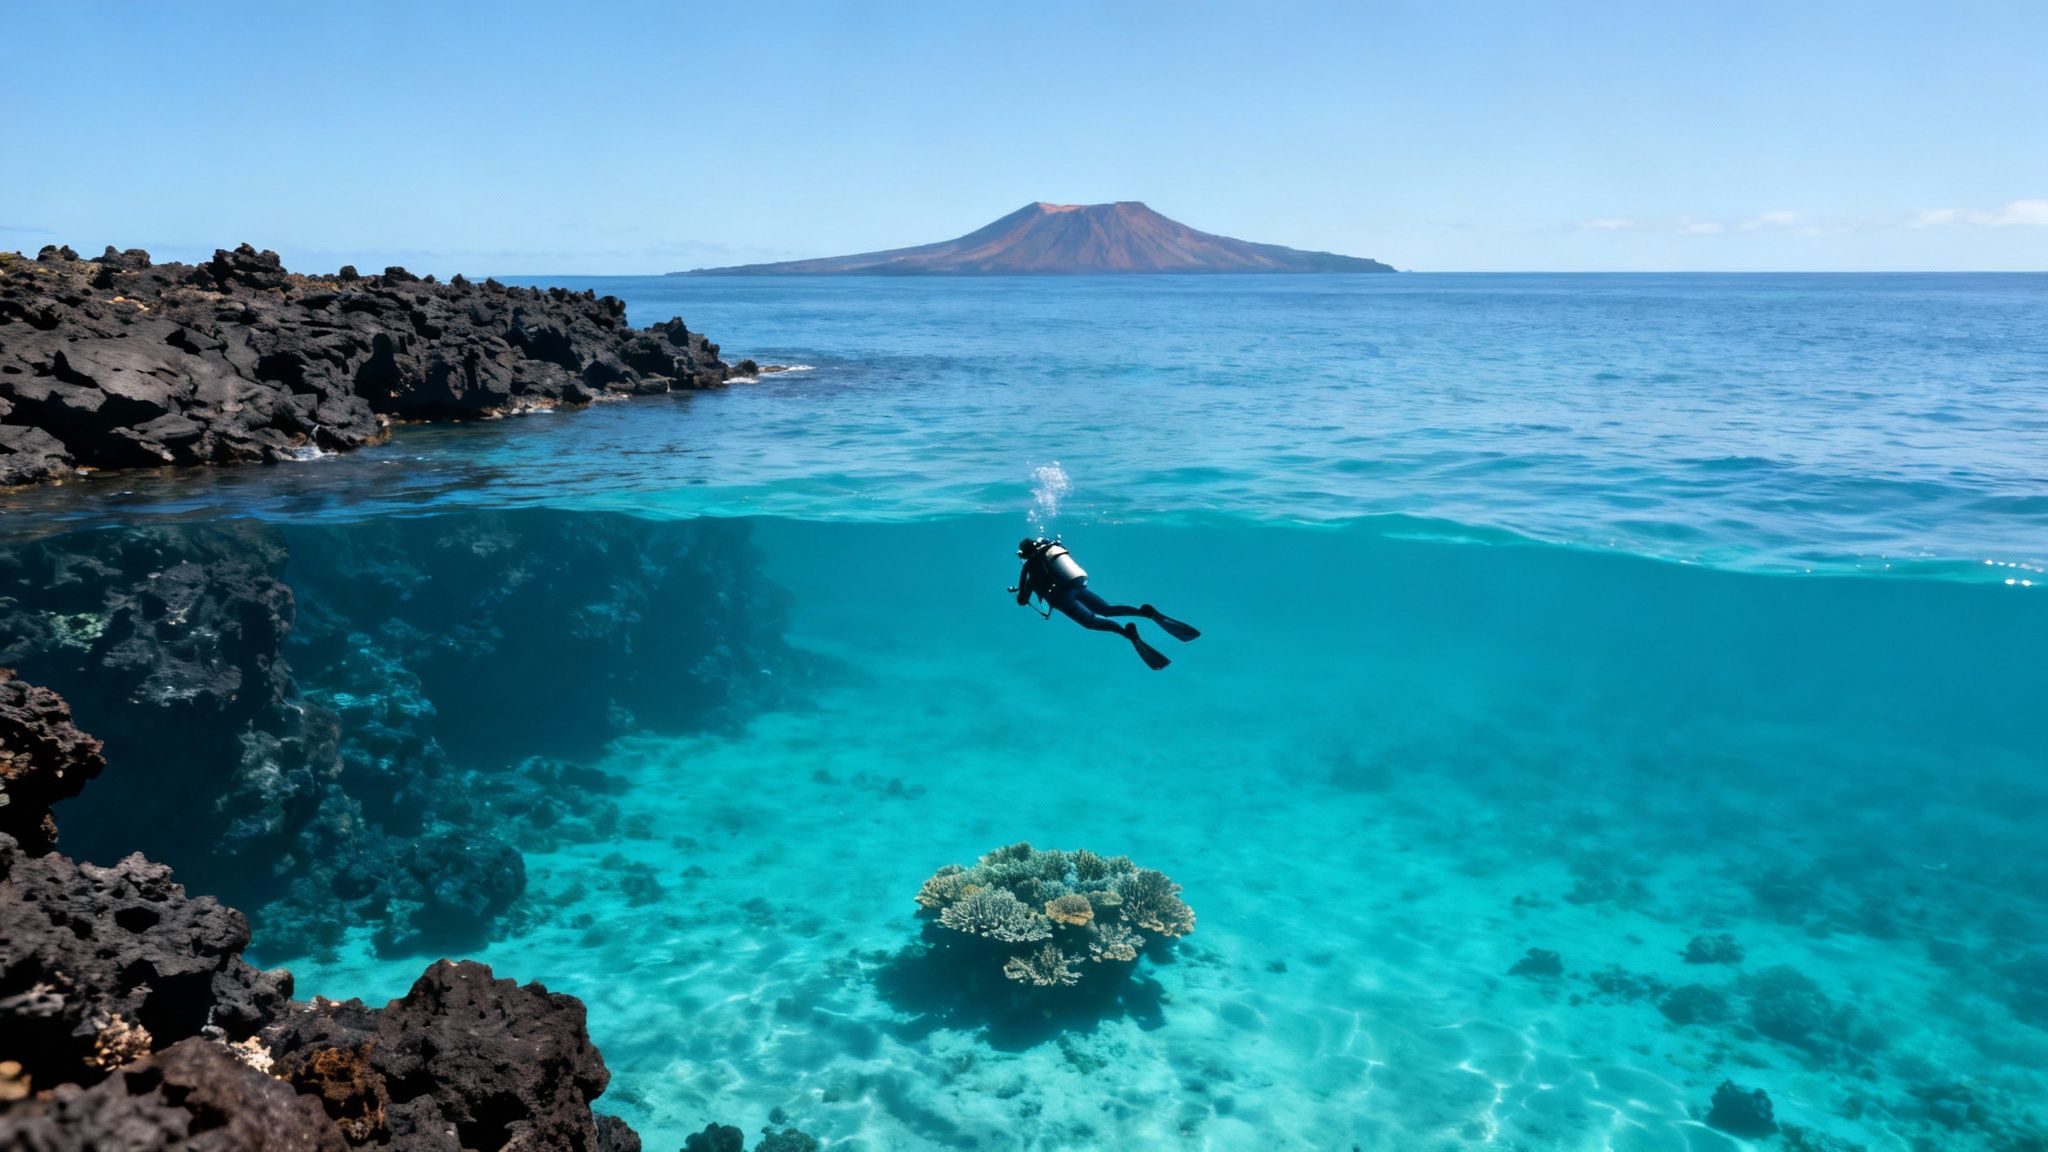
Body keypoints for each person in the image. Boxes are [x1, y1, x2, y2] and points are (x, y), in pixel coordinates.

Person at [1009, 537, 1200, 670]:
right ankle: (1146, 613)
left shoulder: (1030, 567)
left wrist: (1023, 585)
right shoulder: (1050, 555)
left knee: (1091, 622)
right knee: (1106, 609)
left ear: (1024, 554)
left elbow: (1022, 600)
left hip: (1062, 598)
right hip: (1076, 584)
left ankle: (1126, 633)